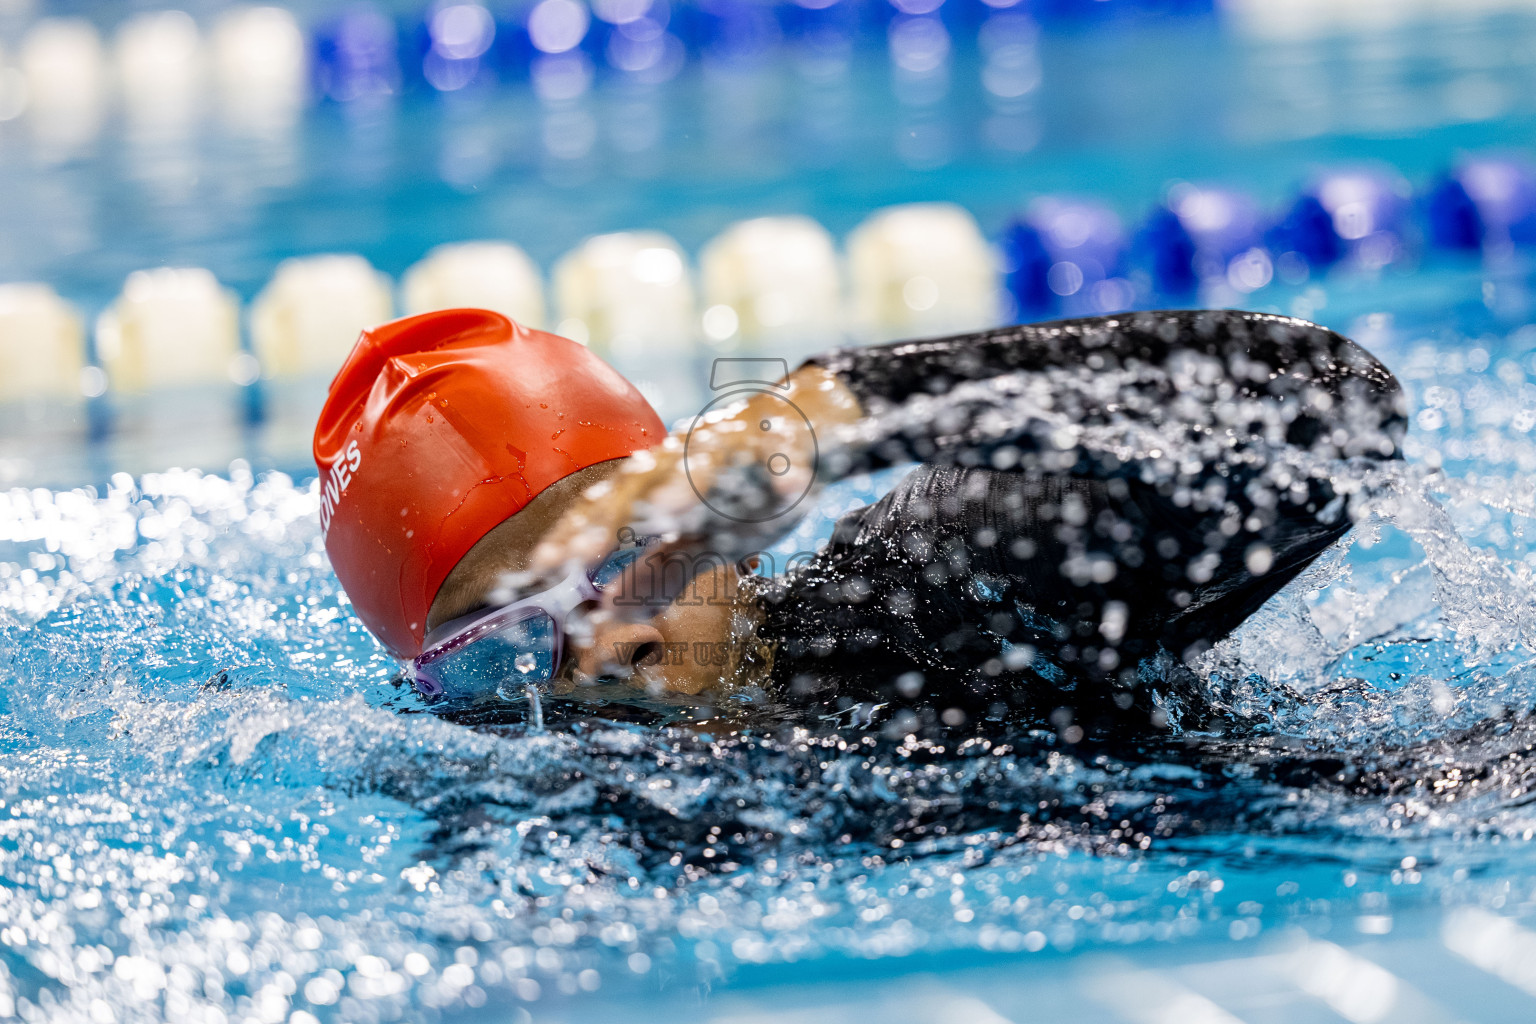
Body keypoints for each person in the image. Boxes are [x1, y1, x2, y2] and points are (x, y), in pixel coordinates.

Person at [314, 307, 1405, 736]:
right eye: (507, 645)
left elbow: (1324, 408)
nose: (613, 639)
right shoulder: (515, 822)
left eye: (631, 555)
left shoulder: (941, 599)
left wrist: (869, 400)